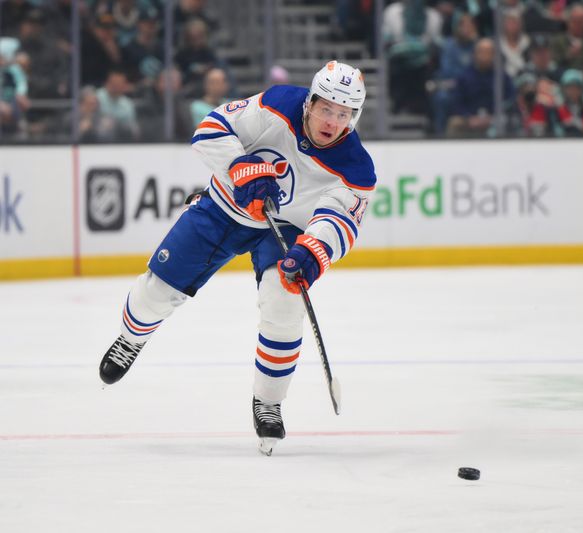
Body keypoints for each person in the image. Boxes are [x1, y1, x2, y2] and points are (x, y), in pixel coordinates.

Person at [97, 61, 375, 456]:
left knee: (284, 301)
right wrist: (242, 168)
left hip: (287, 229)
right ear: (310, 102)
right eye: (326, 108)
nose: (332, 120)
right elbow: (210, 130)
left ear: (354, 117)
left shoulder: (356, 167)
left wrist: (312, 253)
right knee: (157, 290)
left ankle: (269, 402)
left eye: (343, 113)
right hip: (225, 207)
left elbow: (340, 220)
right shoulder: (278, 104)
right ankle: (130, 339)